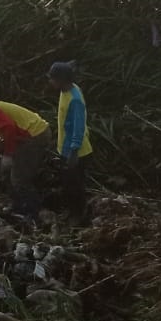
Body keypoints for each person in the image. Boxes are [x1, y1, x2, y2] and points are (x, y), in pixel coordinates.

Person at [49, 61, 93, 221]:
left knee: (76, 186)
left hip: (77, 152)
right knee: (67, 184)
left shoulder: (75, 99)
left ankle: (79, 217)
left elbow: (78, 128)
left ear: (62, 79)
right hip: (66, 149)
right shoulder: (65, 91)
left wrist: (73, 153)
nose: (51, 82)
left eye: (53, 79)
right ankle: (71, 212)